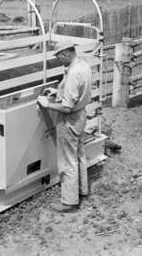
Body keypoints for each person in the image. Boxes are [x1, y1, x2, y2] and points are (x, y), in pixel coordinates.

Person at [37, 40, 93, 213]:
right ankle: (83, 190)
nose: (59, 60)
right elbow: (75, 92)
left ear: (65, 53)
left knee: (67, 160)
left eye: (58, 57)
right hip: (81, 115)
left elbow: (67, 107)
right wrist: (58, 92)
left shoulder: (74, 72)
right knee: (79, 154)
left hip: (70, 119)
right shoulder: (83, 65)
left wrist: (47, 104)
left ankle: (69, 201)